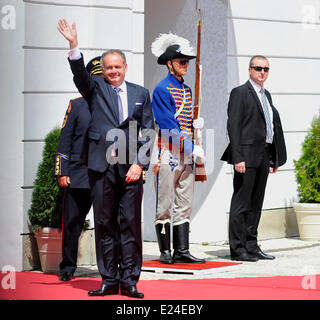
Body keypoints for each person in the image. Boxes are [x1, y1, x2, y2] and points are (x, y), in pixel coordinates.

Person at [57, 19, 155, 298]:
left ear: (125, 67)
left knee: (130, 223)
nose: (113, 71)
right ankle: (109, 279)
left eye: (117, 67)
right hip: (101, 167)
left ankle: (131, 279)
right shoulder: (95, 89)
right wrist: (73, 45)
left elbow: (148, 129)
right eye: (108, 67)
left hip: (130, 168)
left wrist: (140, 163)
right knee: (105, 224)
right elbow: (80, 75)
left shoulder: (141, 93)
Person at [221, 55, 287, 262]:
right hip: (245, 156)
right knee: (241, 202)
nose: (262, 72)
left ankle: (251, 245)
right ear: (249, 70)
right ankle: (238, 248)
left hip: (263, 155)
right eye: (258, 68)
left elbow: (269, 127)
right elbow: (234, 126)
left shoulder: (266, 95)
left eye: (266, 69)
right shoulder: (240, 92)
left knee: (256, 203)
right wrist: (238, 157)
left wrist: (273, 158)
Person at [151, 33, 205, 264]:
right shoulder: (162, 89)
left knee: (184, 201)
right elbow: (168, 126)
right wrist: (190, 146)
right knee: (165, 203)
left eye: (187, 62)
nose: (186, 65)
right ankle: (165, 251)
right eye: (182, 62)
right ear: (169, 64)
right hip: (168, 151)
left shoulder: (187, 90)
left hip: (187, 151)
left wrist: (196, 128)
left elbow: (183, 122)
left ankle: (181, 250)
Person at [55, 56, 103, 281]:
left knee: (107, 225)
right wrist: (62, 170)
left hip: (104, 175)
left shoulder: (116, 104)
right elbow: (65, 139)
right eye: (98, 77)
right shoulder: (76, 104)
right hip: (78, 175)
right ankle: (67, 267)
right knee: (72, 223)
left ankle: (108, 269)